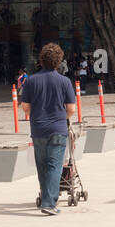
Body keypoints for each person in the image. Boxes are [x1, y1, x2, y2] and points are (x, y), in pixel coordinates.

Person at [18, 43, 77, 215]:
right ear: (59, 61)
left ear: (41, 60)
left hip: (38, 129)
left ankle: (45, 197)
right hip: (58, 129)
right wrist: (61, 118)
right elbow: (71, 109)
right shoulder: (65, 82)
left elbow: (25, 107)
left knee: (42, 166)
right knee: (54, 166)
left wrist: (36, 115)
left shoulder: (30, 81)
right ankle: (49, 203)